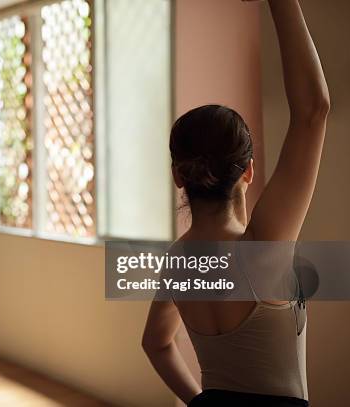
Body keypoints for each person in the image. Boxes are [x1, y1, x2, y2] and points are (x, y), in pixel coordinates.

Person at [141, 0, 329, 406]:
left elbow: (155, 344)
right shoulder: (262, 250)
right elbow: (312, 111)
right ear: (248, 171)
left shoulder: (177, 259)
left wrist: (198, 401)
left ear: (178, 176)